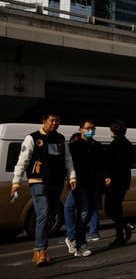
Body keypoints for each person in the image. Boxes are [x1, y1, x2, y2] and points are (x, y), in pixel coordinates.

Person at [11, 112, 77, 267]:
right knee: (44, 213)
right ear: (44, 121)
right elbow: (23, 160)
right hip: (38, 181)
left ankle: (37, 251)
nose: (54, 123)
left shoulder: (60, 139)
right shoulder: (32, 138)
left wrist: (72, 177)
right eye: (52, 120)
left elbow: (68, 159)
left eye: (57, 120)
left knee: (50, 217)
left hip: (56, 182)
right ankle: (42, 251)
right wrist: (16, 182)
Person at [67, 119, 106, 257]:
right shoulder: (74, 146)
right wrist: (71, 178)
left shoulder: (97, 145)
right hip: (80, 183)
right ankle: (79, 243)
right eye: (88, 128)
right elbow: (68, 164)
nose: (90, 131)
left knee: (88, 213)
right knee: (82, 212)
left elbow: (102, 165)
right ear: (80, 129)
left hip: (93, 184)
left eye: (93, 128)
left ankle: (75, 239)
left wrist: (103, 179)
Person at [105, 120, 133, 247]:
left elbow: (112, 164)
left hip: (114, 181)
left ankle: (123, 230)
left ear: (113, 131)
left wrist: (109, 176)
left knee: (110, 209)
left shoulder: (114, 145)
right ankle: (121, 233)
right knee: (117, 209)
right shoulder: (128, 144)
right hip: (124, 180)